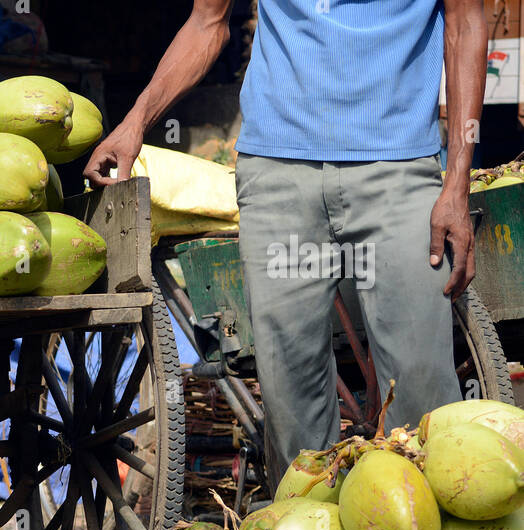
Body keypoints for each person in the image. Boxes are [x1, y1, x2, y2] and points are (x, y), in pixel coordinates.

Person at [84, 0, 485, 480]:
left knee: (423, 397)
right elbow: (207, 23)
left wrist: (457, 181)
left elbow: (465, 23)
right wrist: (135, 123)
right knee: (291, 405)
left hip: (398, 169)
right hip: (278, 176)